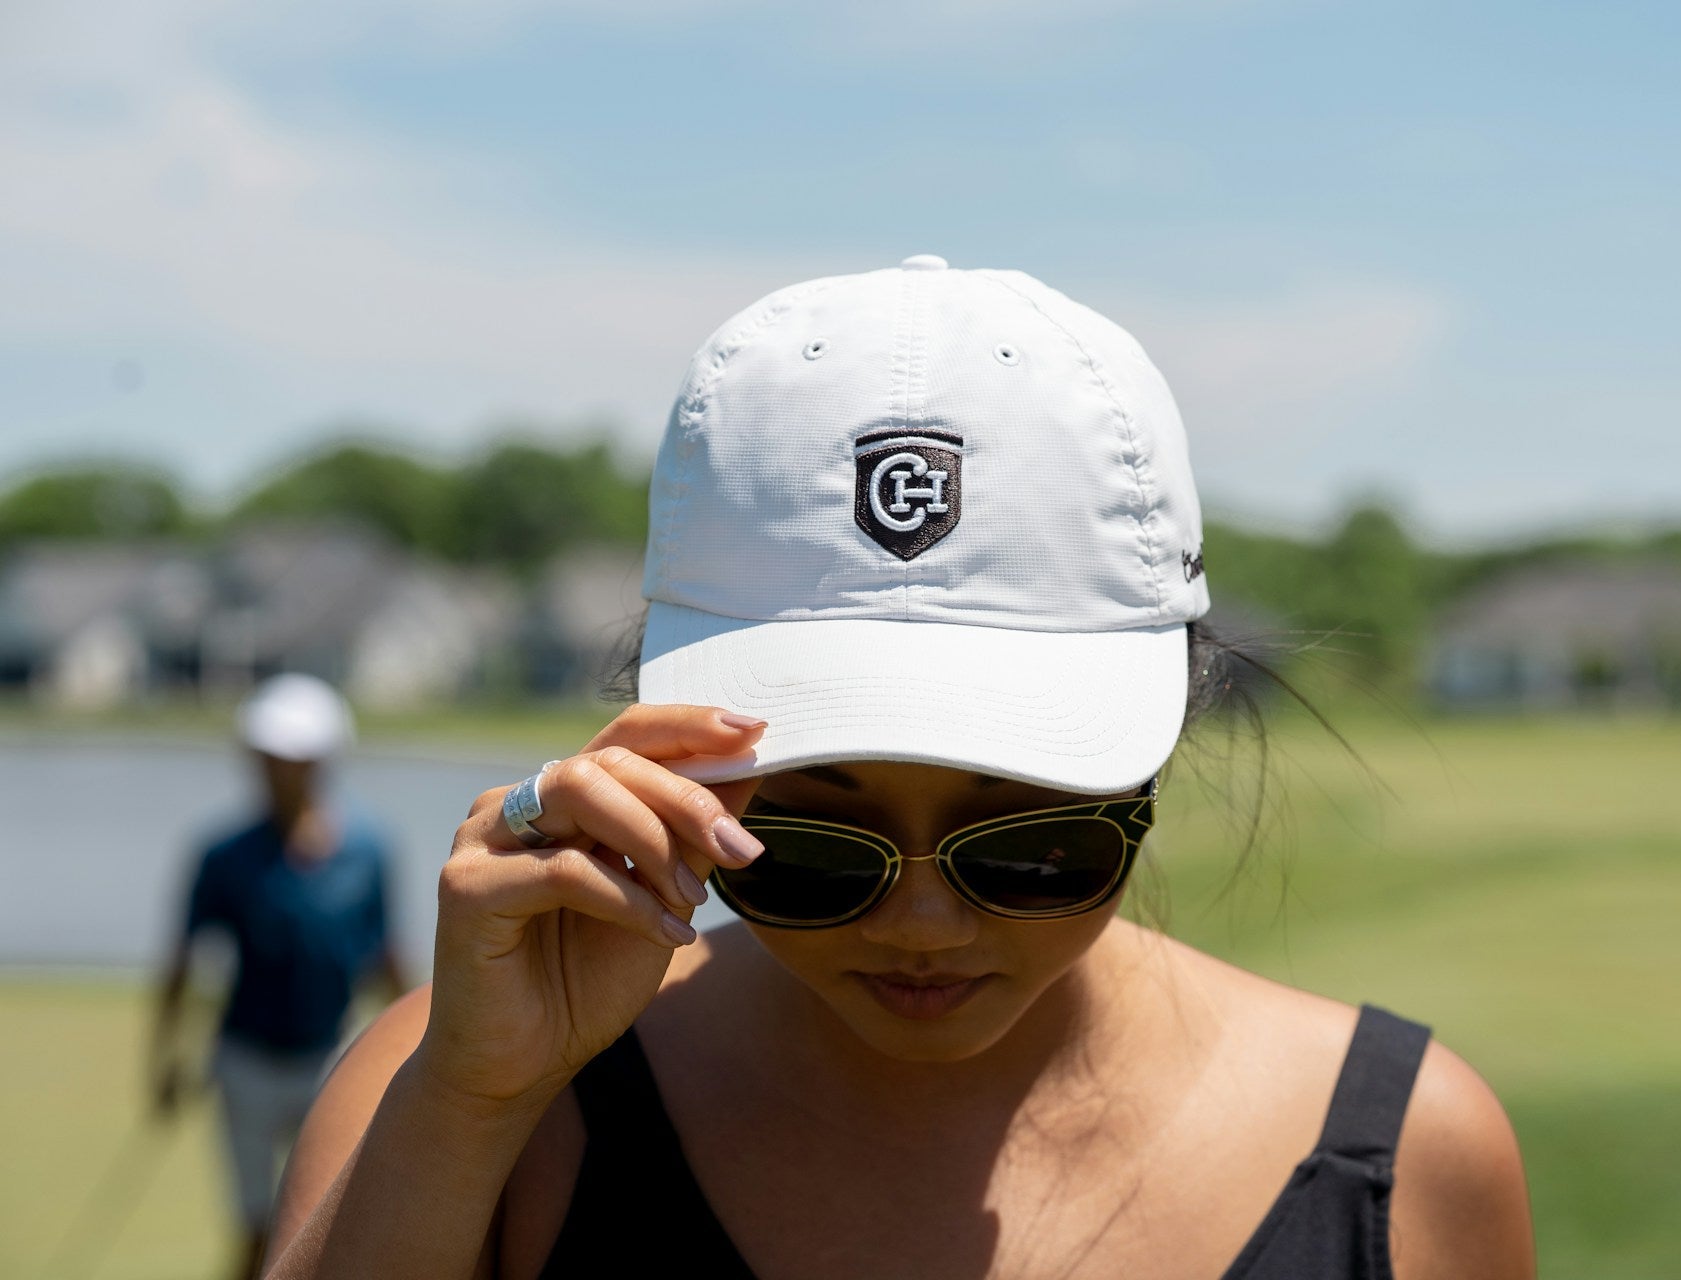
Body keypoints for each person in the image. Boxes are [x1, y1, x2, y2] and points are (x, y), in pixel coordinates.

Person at [264, 256, 1535, 1278]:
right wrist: (473, 1100)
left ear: (1155, 762)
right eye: (808, 851)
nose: (923, 923)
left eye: (1032, 845)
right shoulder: (466, 1079)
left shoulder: (1407, 1153)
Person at [152, 672, 406, 1280]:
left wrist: (415, 1041)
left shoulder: (368, 850)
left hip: (329, 1058)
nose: (273, 771)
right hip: (244, 1062)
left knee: (323, 1216)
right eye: (264, 758)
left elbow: (382, 956)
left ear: (321, 761)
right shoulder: (223, 854)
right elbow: (185, 962)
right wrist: (166, 1058)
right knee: (256, 1228)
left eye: (288, 758)